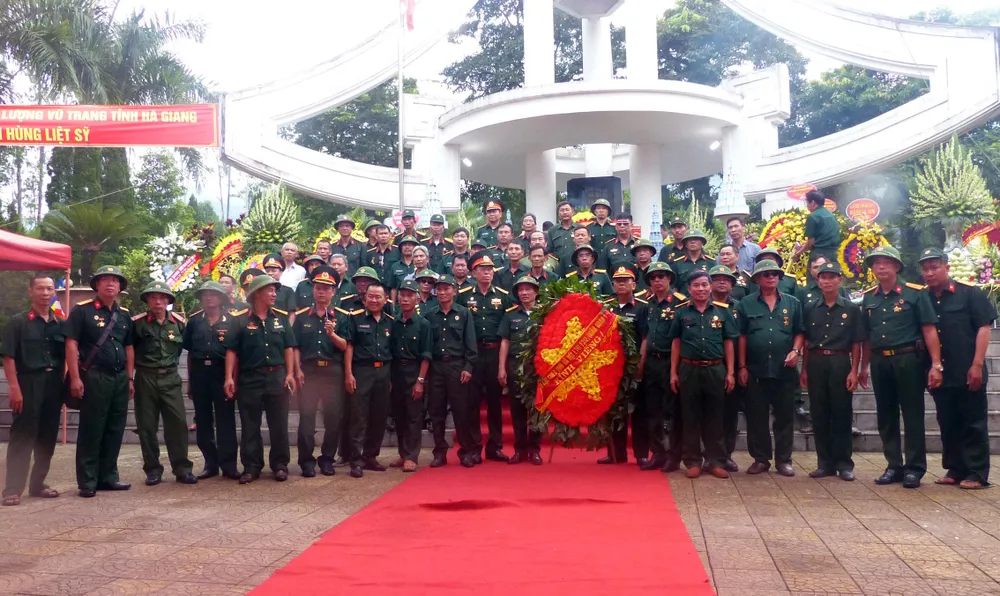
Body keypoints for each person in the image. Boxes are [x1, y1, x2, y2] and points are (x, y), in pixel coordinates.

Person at [859, 245, 942, 489]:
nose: (881, 267)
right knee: (886, 415)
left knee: (912, 414)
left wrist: (936, 364)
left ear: (897, 266)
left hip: (908, 359)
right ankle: (893, 465)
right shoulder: (869, 297)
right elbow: (866, 336)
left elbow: (929, 329)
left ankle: (914, 468)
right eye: (876, 263)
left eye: (886, 262)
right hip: (879, 360)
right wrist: (863, 367)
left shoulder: (915, 293)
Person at [919, 247, 994, 489]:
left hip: (967, 368)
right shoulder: (923, 297)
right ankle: (955, 468)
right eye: (925, 269)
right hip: (939, 370)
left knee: (972, 421)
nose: (929, 273)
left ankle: (977, 472)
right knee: (947, 420)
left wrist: (977, 365)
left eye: (934, 267)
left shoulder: (969, 293)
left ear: (947, 267)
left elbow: (984, 328)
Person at [66, 266, 134, 498]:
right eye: (105, 280)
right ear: (97, 285)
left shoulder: (124, 314)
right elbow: (71, 344)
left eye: (115, 281)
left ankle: (109, 476)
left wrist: (130, 376)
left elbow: (129, 346)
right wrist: (75, 377)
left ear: (120, 287)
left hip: (119, 377)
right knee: (92, 428)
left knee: (115, 428)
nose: (110, 284)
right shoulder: (82, 311)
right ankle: (87, 480)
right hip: (94, 375)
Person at [224, 274, 297, 484]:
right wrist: (229, 378)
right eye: (270, 290)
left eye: (275, 290)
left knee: (279, 424)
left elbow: (289, 348)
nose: (274, 294)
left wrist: (290, 373)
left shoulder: (281, 318)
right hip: (250, 379)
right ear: (257, 293)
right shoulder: (240, 320)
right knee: (250, 425)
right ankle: (251, 466)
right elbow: (231, 351)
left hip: (277, 377)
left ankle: (280, 465)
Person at [736, 260, 805, 477]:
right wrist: (742, 365)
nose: (771, 277)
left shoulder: (792, 303)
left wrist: (796, 351)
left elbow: (800, 332)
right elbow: (742, 337)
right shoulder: (746, 304)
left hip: (783, 370)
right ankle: (760, 459)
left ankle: (784, 460)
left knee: (784, 416)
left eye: (775, 274)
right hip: (756, 370)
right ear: (757, 279)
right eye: (766, 274)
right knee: (757, 417)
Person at [1, 274, 65, 505]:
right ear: (31, 292)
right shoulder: (18, 322)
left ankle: (38, 484)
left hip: (53, 384)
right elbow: (8, 357)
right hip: (28, 382)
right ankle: (12, 489)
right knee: (23, 436)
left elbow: (65, 357)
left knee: (47, 436)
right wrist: (14, 388)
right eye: (40, 289)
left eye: (49, 289)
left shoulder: (59, 323)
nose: (45, 293)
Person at [668, 270, 738, 479]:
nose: (701, 289)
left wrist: (731, 372)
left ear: (710, 287)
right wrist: (673, 372)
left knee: (715, 416)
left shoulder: (722, 312)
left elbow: (729, 342)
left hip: (715, 369)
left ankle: (715, 461)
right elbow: (676, 343)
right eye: (696, 285)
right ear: (689, 289)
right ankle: (692, 461)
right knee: (690, 416)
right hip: (689, 369)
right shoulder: (681, 312)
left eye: (704, 285)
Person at [800, 261, 864, 482]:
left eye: (831, 277)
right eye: (823, 277)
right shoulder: (809, 308)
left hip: (839, 362)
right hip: (817, 362)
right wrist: (805, 369)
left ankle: (844, 464)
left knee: (841, 413)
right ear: (818, 281)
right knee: (819, 414)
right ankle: (824, 463)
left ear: (840, 280)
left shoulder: (851, 309)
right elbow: (807, 342)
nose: (826, 281)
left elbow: (856, 343)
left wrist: (854, 371)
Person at [131, 282, 195, 486]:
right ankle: (152, 469)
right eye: (153, 298)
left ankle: (182, 469)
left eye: (162, 298)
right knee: (147, 426)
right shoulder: (137, 323)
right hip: (145, 377)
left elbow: (183, 350)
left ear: (168, 301)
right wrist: (129, 378)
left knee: (177, 424)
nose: (157, 302)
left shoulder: (178, 323)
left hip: (170, 377)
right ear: (147, 301)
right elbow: (129, 350)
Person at [292, 265, 350, 478]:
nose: (322, 292)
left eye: (327, 288)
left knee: (333, 419)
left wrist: (332, 334)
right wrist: (297, 369)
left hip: (332, 373)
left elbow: (345, 346)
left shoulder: (341, 316)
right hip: (308, 372)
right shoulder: (301, 316)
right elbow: (295, 346)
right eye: (318, 288)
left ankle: (327, 459)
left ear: (333, 292)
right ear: (313, 290)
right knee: (306, 419)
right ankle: (306, 461)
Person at [183, 281, 240, 481]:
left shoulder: (232, 321)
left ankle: (229, 465)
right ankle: (211, 463)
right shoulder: (194, 322)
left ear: (221, 298)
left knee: (226, 421)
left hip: (221, 372)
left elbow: (236, 353)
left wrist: (232, 378)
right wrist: (190, 380)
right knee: (203, 421)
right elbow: (190, 353)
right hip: (200, 373)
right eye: (205, 295)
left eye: (213, 294)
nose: (208, 298)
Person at [463, 252, 513, 462]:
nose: (487, 272)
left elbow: (508, 329)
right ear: (473, 272)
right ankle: (474, 447)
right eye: (482, 269)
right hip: (473, 355)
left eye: (490, 269)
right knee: (472, 402)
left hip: (494, 354)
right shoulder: (463, 296)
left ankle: (495, 446)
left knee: (494, 402)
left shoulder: (503, 296)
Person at [425, 274, 478, 467]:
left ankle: (466, 451)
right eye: (439, 289)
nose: (442, 292)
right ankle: (439, 452)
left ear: (454, 291)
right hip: (436, 367)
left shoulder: (464, 313)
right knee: (436, 411)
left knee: (461, 411)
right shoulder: (430, 315)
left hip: (457, 366)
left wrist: (468, 366)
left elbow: (471, 343)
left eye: (447, 288)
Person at [344, 281, 394, 478]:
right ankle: (355, 460)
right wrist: (348, 374)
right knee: (359, 416)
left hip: (383, 372)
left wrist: (390, 377)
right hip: (362, 371)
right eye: (370, 297)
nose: (374, 300)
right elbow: (349, 347)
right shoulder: (354, 319)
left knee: (379, 417)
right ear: (365, 299)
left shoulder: (390, 321)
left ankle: (371, 456)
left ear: (386, 299)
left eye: (378, 297)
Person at [601, 266, 650, 467]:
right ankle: (616, 453)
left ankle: (641, 455)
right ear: (613, 284)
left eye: (626, 280)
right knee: (614, 411)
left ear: (634, 284)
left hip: (633, 366)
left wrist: (641, 361)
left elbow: (646, 337)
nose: (621, 283)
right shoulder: (606, 307)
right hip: (610, 367)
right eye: (618, 280)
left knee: (638, 411)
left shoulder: (642, 307)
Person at [642, 262, 687, 473]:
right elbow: (645, 336)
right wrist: (641, 364)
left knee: (673, 412)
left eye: (661, 276)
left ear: (670, 279)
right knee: (652, 411)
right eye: (653, 277)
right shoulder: (647, 305)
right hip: (652, 362)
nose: (657, 280)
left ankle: (674, 456)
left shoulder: (680, 304)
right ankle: (657, 453)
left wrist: (675, 370)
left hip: (671, 362)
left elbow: (682, 339)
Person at [498, 275, 543, 465]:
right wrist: (501, 368)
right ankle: (520, 450)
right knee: (517, 412)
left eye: (528, 289)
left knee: (536, 410)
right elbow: (505, 341)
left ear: (536, 292)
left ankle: (534, 450)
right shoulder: (510, 314)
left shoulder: (544, 313)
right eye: (521, 290)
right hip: (515, 366)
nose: (524, 293)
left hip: (537, 368)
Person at [389, 279, 433, 472]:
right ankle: (402, 453)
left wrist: (420, 381)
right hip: (396, 372)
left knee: (414, 416)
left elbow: (426, 355)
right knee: (399, 415)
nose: (405, 299)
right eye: (402, 296)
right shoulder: (393, 323)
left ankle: (412, 456)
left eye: (409, 296)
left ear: (417, 299)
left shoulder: (423, 324)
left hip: (414, 372)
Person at [708, 265, 744, 472]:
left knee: (730, 415)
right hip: (708, 367)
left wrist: (740, 367)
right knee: (709, 415)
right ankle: (709, 456)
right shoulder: (702, 306)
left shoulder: (740, 307)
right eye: (717, 278)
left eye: (726, 279)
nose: (722, 282)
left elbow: (743, 338)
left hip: (733, 367)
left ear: (732, 284)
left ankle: (726, 455)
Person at [793, 190, 840, 264]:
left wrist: (798, 253)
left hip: (819, 256)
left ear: (813, 203)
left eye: (807, 202)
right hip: (834, 255)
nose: (806, 205)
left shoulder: (813, 216)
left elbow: (810, 243)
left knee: (816, 275)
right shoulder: (830, 215)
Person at [671, 230, 714, 294]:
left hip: (706, 301)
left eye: (696, 239)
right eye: (689, 240)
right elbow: (674, 287)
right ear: (685, 244)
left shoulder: (711, 262)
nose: (693, 242)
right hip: (684, 301)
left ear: (702, 243)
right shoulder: (677, 263)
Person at [387, 235, 418, 302]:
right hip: (401, 302)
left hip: (417, 301)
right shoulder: (395, 266)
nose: (407, 247)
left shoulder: (420, 263)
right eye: (404, 245)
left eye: (410, 245)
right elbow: (393, 288)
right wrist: (393, 307)